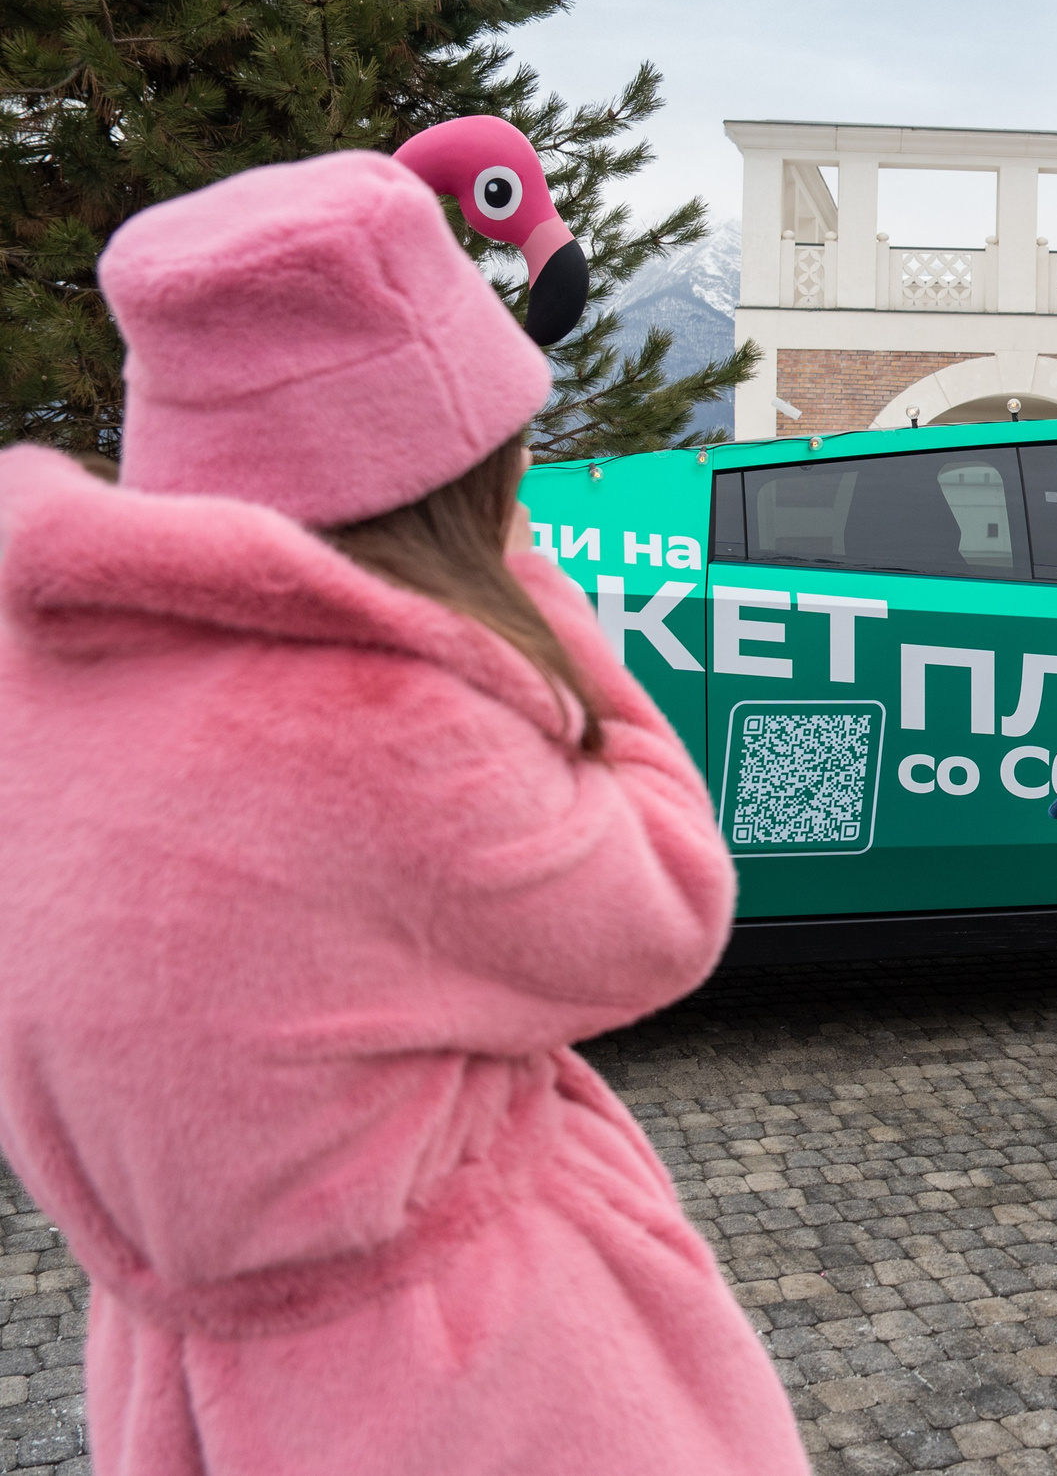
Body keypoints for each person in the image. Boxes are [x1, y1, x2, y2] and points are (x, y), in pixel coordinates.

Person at [0, 152, 807, 1475]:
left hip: (180, 1384)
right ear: (460, 454)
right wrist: (503, 576)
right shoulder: (387, 726)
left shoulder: (39, 667)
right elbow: (673, 895)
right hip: (464, 1389)